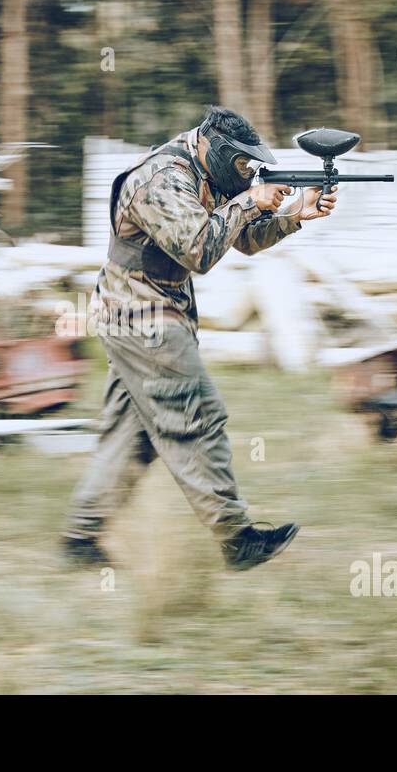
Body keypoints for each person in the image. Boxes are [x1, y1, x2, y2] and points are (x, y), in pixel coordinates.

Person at [63, 106, 338, 571]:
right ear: (214, 149)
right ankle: (236, 538)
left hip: (139, 315)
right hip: (143, 319)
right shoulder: (163, 179)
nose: (246, 175)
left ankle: (81, 537)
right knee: (197, 414)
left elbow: (242, 240)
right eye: (243, 166)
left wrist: (293, 215)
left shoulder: (199, 172)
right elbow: (200, 249)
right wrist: (253, 199)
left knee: (129, 437)